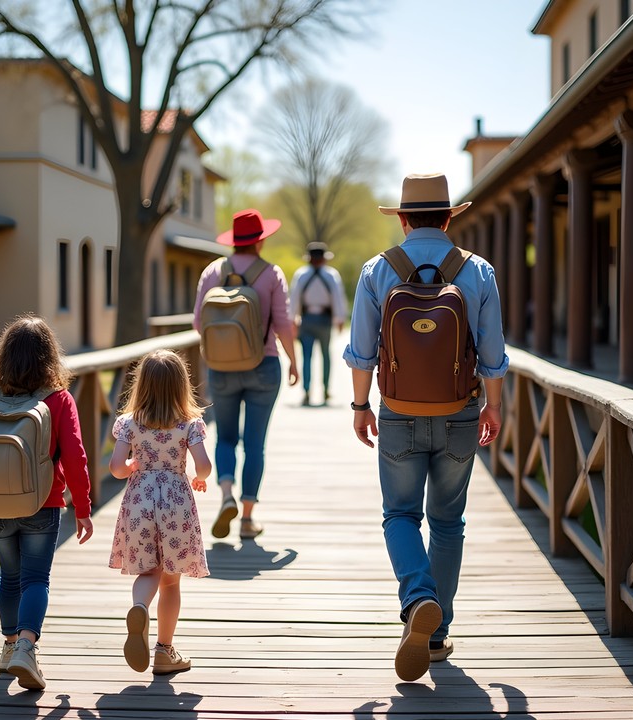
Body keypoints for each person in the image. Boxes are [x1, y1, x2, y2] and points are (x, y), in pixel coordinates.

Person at [343, 173, 509, 682]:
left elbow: (361, 351)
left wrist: (360, 406)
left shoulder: (378, 269)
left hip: (398, 411)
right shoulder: (476, 270)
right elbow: (494, 354)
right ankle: (436, 636)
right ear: (448, 218)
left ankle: (418, 598)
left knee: (399, 514)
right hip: (460, 411)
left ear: (401, 219)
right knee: (448, 522)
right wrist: (493, 407)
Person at [0, 314, 94, 691]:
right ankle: (26, 649)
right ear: (50, 357)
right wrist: (82, 509)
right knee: (35, 579)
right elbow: (75, 458)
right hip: (42, 504)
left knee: (9, 578)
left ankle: (9, 646)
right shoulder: (59, 400)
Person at [193, 208, 299, 540]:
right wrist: (294, 361)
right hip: (263, 366)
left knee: (225, 437)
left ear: (234, 240)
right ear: (260, 241)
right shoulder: (271, 273)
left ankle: (226, 495)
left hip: (221, 368)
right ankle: (248, 518)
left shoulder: (213, 271)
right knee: (255, 444)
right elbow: (283, 324)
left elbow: (197, 322)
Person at [109, 349, 212, 675]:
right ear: (181, 385)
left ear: (142, 384)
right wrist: (199, 478)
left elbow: (116, 467)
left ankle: (140, 607)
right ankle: (165, 651)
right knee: (170, 582)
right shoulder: (189, 424)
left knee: (149, 572)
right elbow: (204, 466)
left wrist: (132, 465)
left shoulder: (129, 423)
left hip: (140, 502)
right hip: (176, 505)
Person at [289, 242, 348, 406]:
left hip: (307, 319)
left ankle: (307, 391)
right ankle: (326, 390)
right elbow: (338, 298)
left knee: (307, 356)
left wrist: (293, 320)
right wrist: (339, 318)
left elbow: (294, 299)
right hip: (324, 320)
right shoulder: (331, 275)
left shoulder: (301, 274)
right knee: (325, 355)